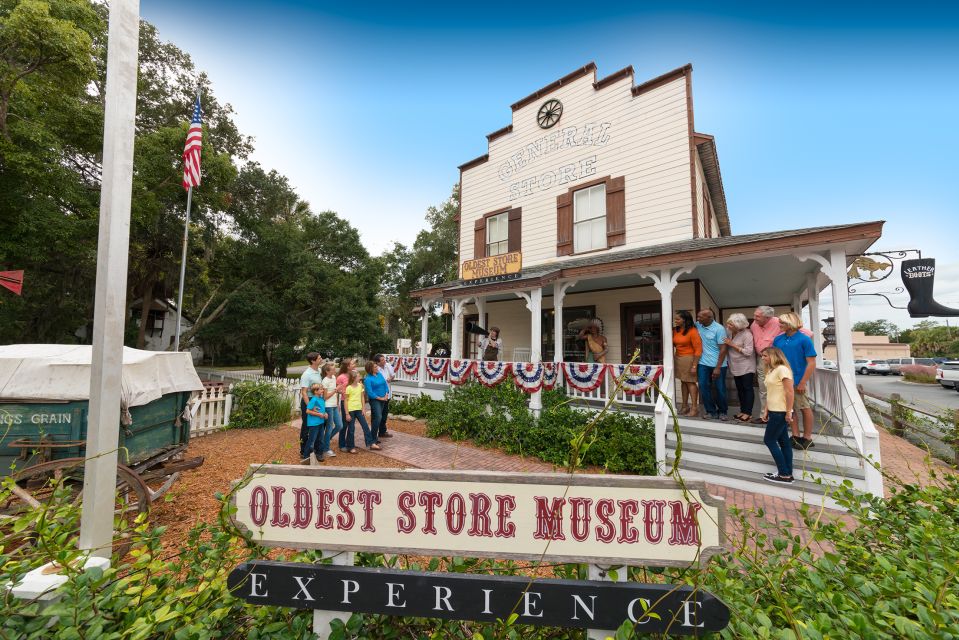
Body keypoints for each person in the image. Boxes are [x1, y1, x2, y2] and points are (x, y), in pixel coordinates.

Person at [772, 312, 817, 450]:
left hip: (797, 380)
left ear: (791, 324)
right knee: (790, 409)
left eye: (782, 323)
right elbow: (774, 360)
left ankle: (807, 437)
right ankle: (795, 435)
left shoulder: (804, 340)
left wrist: (803, 381)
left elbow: (811, 363)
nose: (779, 325)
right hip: (781, 380)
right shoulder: (777, 340)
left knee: (804, 407)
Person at [760, 347, 795, 484]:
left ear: (773, 356)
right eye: (762, 356)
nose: (762, 358)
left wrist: (788, 412)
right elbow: (771, 392)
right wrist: (766, 409)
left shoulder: (782, 369)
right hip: (774, 410)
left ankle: (783, 473)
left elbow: (789, 392)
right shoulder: (771, 370)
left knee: (769, 440)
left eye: (765, 356)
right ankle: (787, 473)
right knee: (784, 442)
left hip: (781, 412)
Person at [695, 309, 729, 420]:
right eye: (698, 317)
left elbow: (723, 349)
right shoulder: (698, 325)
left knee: (720, 389)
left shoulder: (719, 329)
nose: (698, 319)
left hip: (718, 364)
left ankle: (723, 411)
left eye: (700, 317)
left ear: (709, 318)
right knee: (704, 387)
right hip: (703, 363)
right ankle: (711, 411)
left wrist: (718, 367)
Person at [749, 306, 781, 423]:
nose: (754, 318)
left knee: (778, 388)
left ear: (768, 317)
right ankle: (764, 416)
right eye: (755, 315)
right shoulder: (754, 325)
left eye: (757, 316)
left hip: (776, 359)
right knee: (763, 388)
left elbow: (806, 333)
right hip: (761, 359)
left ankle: (781, 417)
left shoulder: (778, 322)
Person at [724, 313, 756, 422]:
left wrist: (732, 344)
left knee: (747, 389)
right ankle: (742, 411)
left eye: (731, 324)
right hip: (735, 365)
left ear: (738, 325)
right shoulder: (729, 332)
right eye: (728, 323)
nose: (728, 326)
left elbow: (748, 352)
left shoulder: (747, 334)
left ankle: (748, 413)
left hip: (746, 366)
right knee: (740, 389)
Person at [672, 310, 702, 417]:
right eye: (675, 319)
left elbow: (698, 349)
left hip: (689, 359)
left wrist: (694, 365)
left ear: (684, 320)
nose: (675, 321)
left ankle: (694, 408)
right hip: (678, 358)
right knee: (683, 382)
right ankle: (685, 406)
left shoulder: (693, 331)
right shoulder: (676, 330)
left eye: (678, 319)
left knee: (690, 382)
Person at [344, 370, 377, 451]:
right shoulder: (348, 388)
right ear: (354, 378)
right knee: (351, 429)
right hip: (351, 410)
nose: (360, 377)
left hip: (359, 410)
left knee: (365, 426)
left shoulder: (360, 386)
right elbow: (345, 400)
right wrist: (347, 413)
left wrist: (363, 408)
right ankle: (350, 447)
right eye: (358, 376)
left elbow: (362, 397)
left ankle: (371, 443)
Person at [298, 353, 323, 455]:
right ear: (313, 361)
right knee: (307, 427)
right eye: (319, 358)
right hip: (309, 401)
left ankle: (317, 450)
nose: (321, 359)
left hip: (318, 400)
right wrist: (310, 407)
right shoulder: (306, 374)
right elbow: (303, 392)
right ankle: (303, 450)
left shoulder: (319, 371)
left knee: (319, 425)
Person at [320, 362, 343, 458]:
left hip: (334, 405)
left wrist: (337, 403)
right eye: (333, 369)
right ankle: (326, 449)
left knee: (339, 425)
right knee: (329, 428)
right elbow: (324, 397)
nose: (335, 370)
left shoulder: (333, 378)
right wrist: (336, 390)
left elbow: (335, 392)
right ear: (327, 371)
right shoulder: (325, 381)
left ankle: (325, 441)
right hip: (328, 406)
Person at [364, 359, 389, 446]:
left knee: (376, 418)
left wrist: (386, 394)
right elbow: (370, 393)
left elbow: (385, 384)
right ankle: (372, 439)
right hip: (375, 400)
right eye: (375, 367)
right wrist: (380, 398)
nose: (377, 367)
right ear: (370, 369)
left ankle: (374, 438)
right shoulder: (367, 379)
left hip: (383, 398)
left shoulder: (379, 374)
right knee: (378, 417)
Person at [302, 383, 328, 464]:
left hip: (320, 422)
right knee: (311, 440)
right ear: (316, 391)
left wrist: (325, 413)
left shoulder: (321, 399)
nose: (323, 390)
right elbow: (308, 411)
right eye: (321, 389)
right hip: (314, 424)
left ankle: (319, 454)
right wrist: (319, 414)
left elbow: (322, 409)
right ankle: (306, 456)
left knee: (320, 439)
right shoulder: (313, 400)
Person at [336, 359, 355, 450]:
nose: (354, 364)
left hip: (355, 402)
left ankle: (350, 443)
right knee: (345, 423)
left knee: (351, 423)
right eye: (352, 363)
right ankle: (342, 444)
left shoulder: (354, 373)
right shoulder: (341, 377)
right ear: (347, 366)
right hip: (345, 402)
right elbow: (337, 390)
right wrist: (342, 392)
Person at [374, 354, 394, 438]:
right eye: (382, 360)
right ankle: (375, 432)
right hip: (379, 395)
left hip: (387, 394)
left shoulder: (388, 366)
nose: (384, 361)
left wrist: (391, 378)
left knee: (385, 414)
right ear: (378, 362)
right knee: (378, 415)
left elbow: (393, 375)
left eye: (384, 359)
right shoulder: (376, 369)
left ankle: (382, 431)